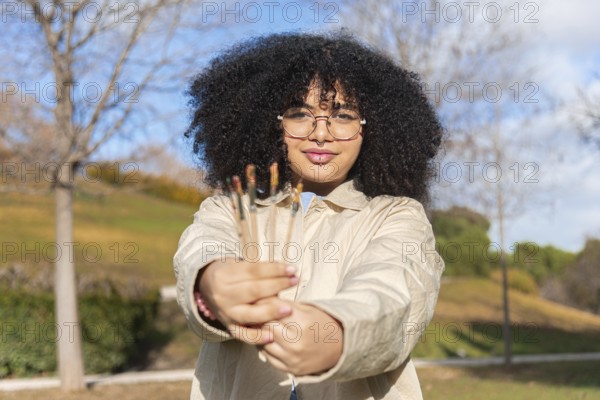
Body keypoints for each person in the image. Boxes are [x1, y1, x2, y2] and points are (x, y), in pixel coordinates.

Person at [174, 31, 445, 400]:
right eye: (300, 114)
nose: (321, 133)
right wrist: (211, 282)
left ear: (374, 130)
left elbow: (393, 296)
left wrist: (333, 333)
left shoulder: (398, 217)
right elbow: (202, 249)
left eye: (344, 115)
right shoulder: (232, 208)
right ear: (271, 123)